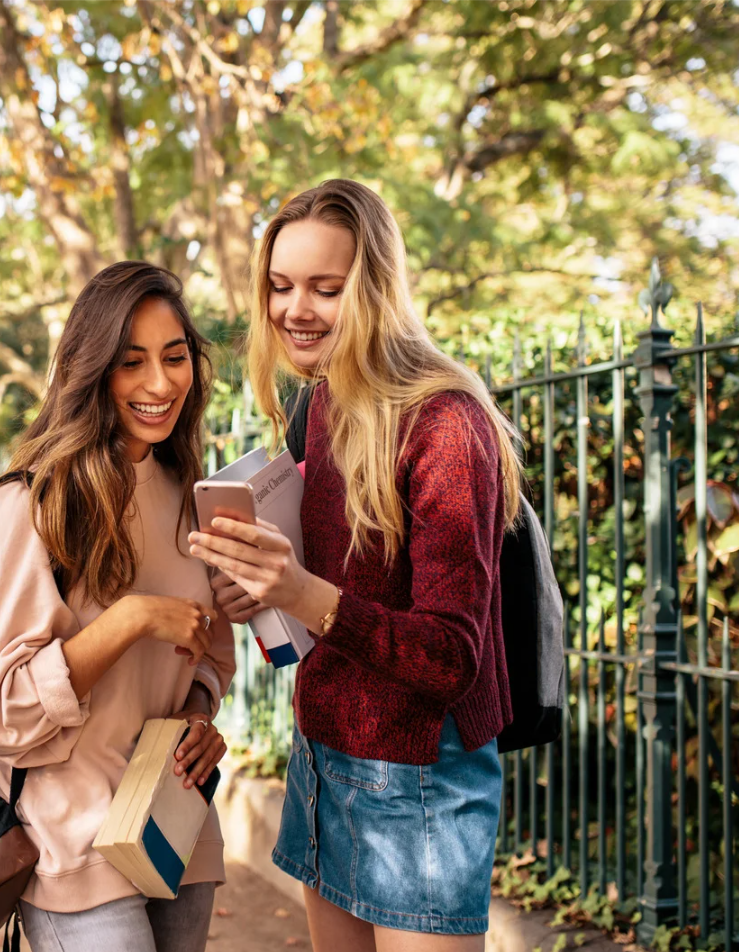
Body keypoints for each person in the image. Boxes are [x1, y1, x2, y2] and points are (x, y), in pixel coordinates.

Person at [188, 179, 522, 951]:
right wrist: (261, 593)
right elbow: (331, 589)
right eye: (279, 285)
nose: (293, 309)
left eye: (324, 287)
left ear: (372, 288)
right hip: (323, 754)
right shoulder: (322, 403)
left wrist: (304, 592)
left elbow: (449, 659)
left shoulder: (443, 423)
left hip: (417, 783)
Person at [0, 261, 236, 952]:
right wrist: (130, 619)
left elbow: (211, 651)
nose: (159, 383)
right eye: (130, 363)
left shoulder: (190, 495)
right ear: (91, 371)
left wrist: (201, 715)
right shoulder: (30, 504)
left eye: (175, 358)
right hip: (72, 844)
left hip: (173, 826)